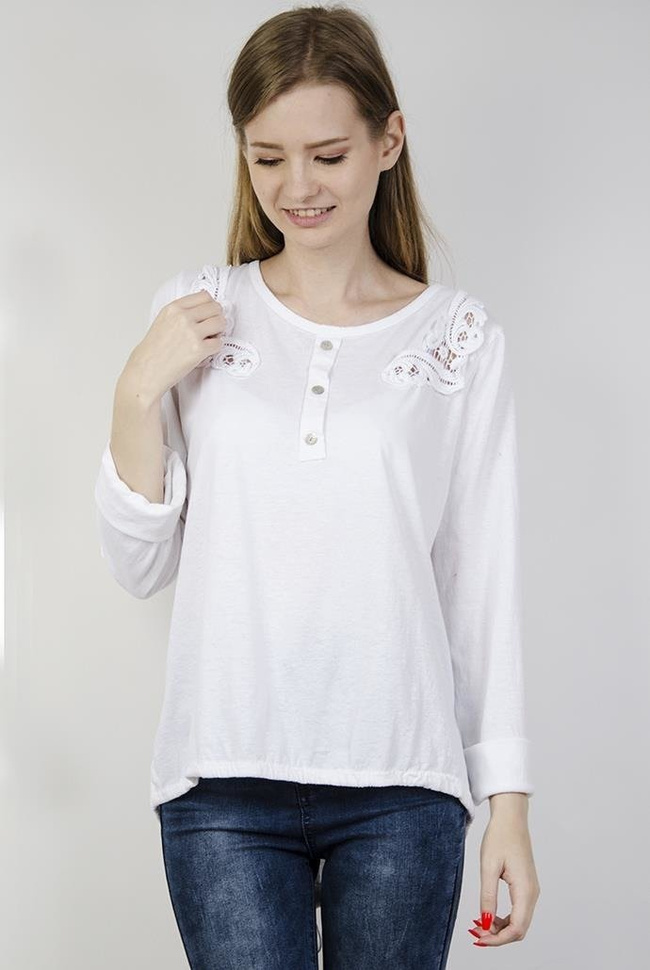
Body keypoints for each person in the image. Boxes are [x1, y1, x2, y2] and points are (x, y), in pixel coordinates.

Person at [94, 4, 540, 968]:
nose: (297, 187)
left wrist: (506, 802)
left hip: (403, 785)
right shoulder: (195, 314)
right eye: (268, 158)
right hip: (221, 781)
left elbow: (481, 584)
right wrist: (136, 389)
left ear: (389, 142)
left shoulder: (459, 340)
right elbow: (140, 567)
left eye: (328, 155)